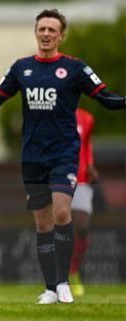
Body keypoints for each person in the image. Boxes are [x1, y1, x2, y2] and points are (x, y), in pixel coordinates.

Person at [0, 9, 125, 304]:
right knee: (43, 225)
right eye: (42, 28)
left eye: (52, 30)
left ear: (61, 35)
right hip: (32, 157)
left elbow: (107, 99)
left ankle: (64, 282)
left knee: (63, 213)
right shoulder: (22, 68)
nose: (46, 34)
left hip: (64, 154)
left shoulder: (75, 69)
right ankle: (50, 288)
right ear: (36, 31)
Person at [69, 108, 98, 296]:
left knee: (82, 226)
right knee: (57, 226)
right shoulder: (51, 112)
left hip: (81, 180)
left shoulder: (87, 118)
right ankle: (56, 277)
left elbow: (86, 145)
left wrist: (89, 166)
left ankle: (73, 272)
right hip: (57, 177)